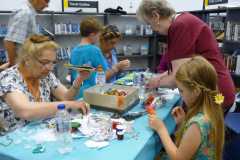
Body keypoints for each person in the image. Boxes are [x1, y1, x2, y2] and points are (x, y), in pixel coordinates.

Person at [137, 0, 235, 113]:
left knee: (198, 128)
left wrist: (156, 83)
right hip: (213, 90)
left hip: (216, 94)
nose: (153, 29)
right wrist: (159, 77)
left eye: (150, 24)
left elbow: (178, 77)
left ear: (155, 16)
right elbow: (180, 67)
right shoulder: (182, 21)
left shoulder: (180, 26)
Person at [0, 35, 90, 135]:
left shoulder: (45, 76)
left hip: (41, 134)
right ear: (27, 59)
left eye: (53, 63)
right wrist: (67, 105)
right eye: (45, 62)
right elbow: (25, 111)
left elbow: (65, 96)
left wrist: (79, 79)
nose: (50, 68)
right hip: (14, 142)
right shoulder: (8, 78)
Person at [149, 56, 224, 160]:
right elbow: (195, 143)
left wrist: (161, 129)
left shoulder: (197, 124)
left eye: (181, 91)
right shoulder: (212, 111)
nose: (180, 95)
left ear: (196, 91)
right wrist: (182, 123)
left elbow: (178, 158)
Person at [70, 17, 130, 99]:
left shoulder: (74, 51)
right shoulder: (94, 50)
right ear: (92, 34)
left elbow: (73, 75)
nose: (99, 38)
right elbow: (103, 77)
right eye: (98, 35)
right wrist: (117, 67)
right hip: (92, 95)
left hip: (77, 94)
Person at [0, 0, 49, 71]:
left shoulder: (29, 13)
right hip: (21, 68)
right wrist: (12, 66)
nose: (47, 5)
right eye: (46, 1)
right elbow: (9, 41)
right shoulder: (25, 13)